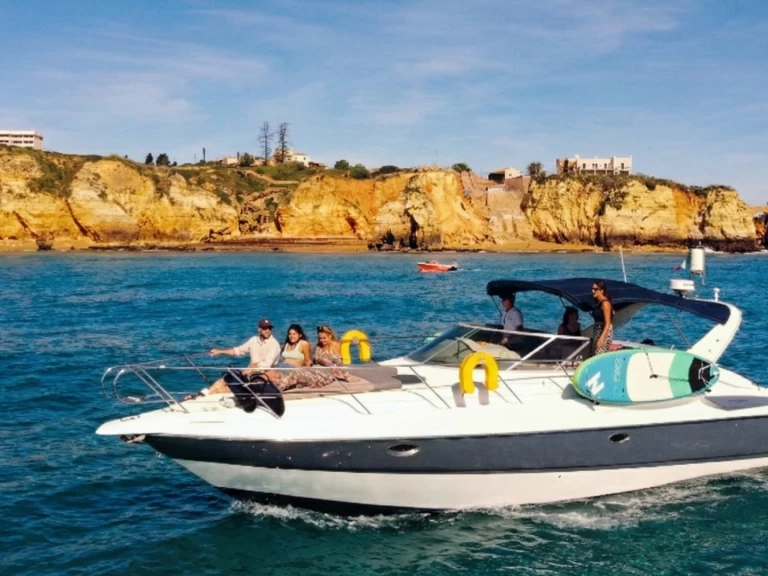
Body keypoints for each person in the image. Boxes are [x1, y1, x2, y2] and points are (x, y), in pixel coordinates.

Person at [194, 318, 281, 398]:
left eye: (269, 328)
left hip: (264, 376)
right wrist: (220, 351)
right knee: (224, 380)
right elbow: (238, 351)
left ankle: (208, 397)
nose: (267, 330)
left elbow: (266, 365)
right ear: (259, 329)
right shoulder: (253, 340)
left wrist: (251, 369)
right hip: (250, 373)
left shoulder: (274, 344)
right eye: (265, 328)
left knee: (230, 387)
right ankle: (204, 394)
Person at [264, 325, 345, 391]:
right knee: (269, 373)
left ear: (330, 336)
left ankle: (272, 387)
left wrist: (345, 375)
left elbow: (338, 365)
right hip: (314, 369)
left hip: (325, 372)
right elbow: (315, 360)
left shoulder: (335, 346)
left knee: (289, 375)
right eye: (320, 338)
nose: (321, 340)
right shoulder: (319, 346)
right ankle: (260, 383)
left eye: (324, 338)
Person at [590, 281, 614, 356]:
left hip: (604, 332)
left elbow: (607, 323)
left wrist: (602, 338)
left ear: (601, 291)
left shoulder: (605, 303)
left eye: (595, 289)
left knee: (598, 355)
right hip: (597, 331)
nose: (592, 291)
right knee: (593, 355)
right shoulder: (597, 302)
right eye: (592, 289)